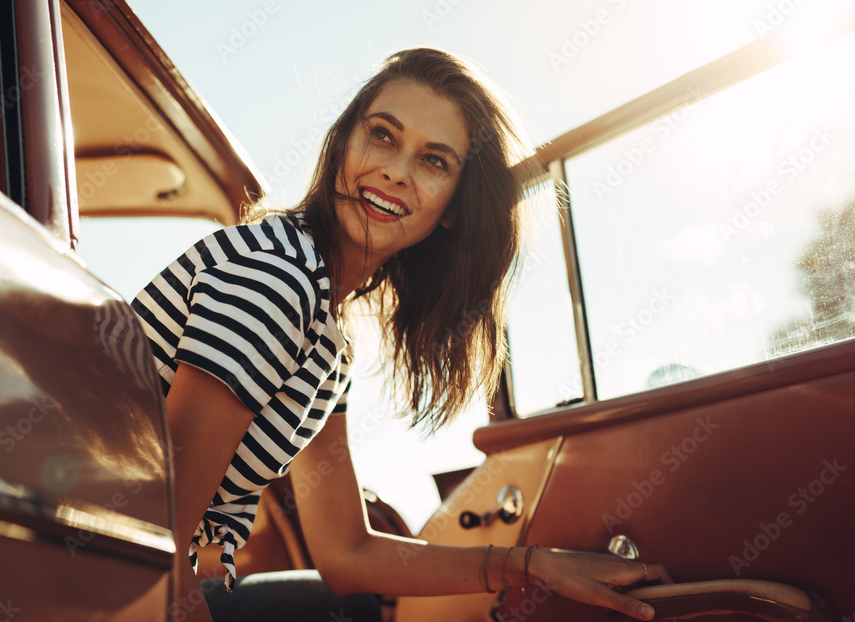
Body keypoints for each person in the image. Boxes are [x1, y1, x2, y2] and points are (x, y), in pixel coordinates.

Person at [131, 47, 669, 622]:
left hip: (125, 566)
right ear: (342, 143)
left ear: (455, 209)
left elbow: (346, 551)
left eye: (434, 161)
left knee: (354, 605)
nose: (395, 170)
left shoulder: (327, 335)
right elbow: (150, 538)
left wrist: (530, 565)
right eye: (382, 135)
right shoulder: (278, 279)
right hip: (77, 576)